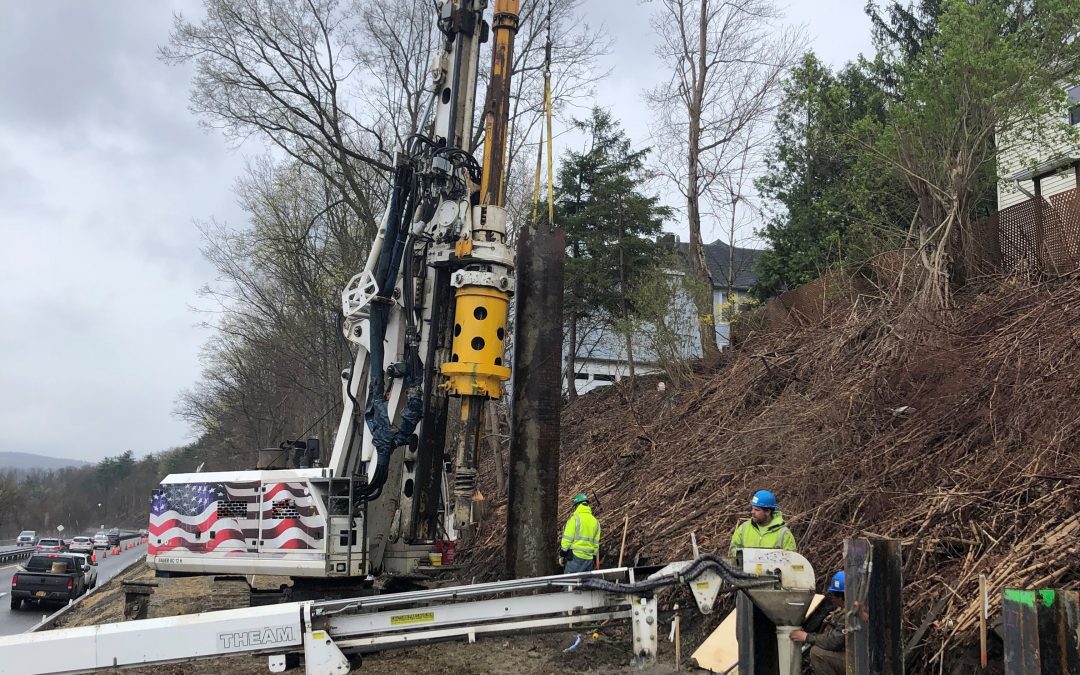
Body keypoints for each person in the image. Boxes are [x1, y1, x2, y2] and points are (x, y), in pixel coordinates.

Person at [790, 570, 846, 675]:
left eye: (833, 594)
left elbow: (834, 641)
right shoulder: (849, 609)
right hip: (853, 654)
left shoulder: (849, 615)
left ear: (840, 596)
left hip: (857, 659)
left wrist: (807, 637)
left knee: (816, 653)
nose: (832, 598)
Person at [728, 489, 798, 558]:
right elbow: (732, 552)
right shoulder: (744, 528)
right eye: (752, 508)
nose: (752, 512)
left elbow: (791, 559)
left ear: (767, 511)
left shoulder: (784, 533)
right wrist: (746, 557)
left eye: (756, 510)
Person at [559, 493, 601, 574]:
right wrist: (593, 556)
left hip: (575, 558)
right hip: (588, 560)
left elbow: (567, 540)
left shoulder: (574, 519)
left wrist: (562, 554)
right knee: (585, 581)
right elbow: (596, 545)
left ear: (577, 505)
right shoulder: (595, 522)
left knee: (569, 581)